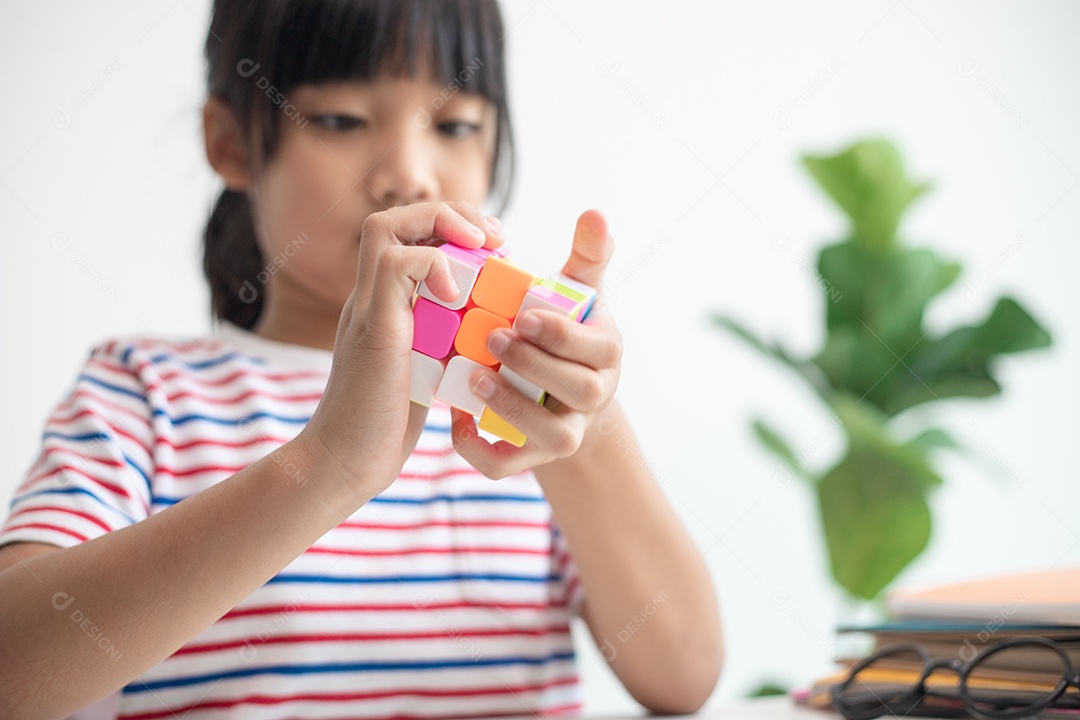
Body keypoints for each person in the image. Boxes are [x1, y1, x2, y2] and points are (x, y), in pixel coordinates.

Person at [0, 1, 722, 717]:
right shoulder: (144, 389)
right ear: (229, 142)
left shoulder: (522, 411)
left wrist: (585, 433)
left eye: (455, 125)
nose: (409, 175)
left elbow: (683, 676)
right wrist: (329, 467)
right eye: (342, 119)